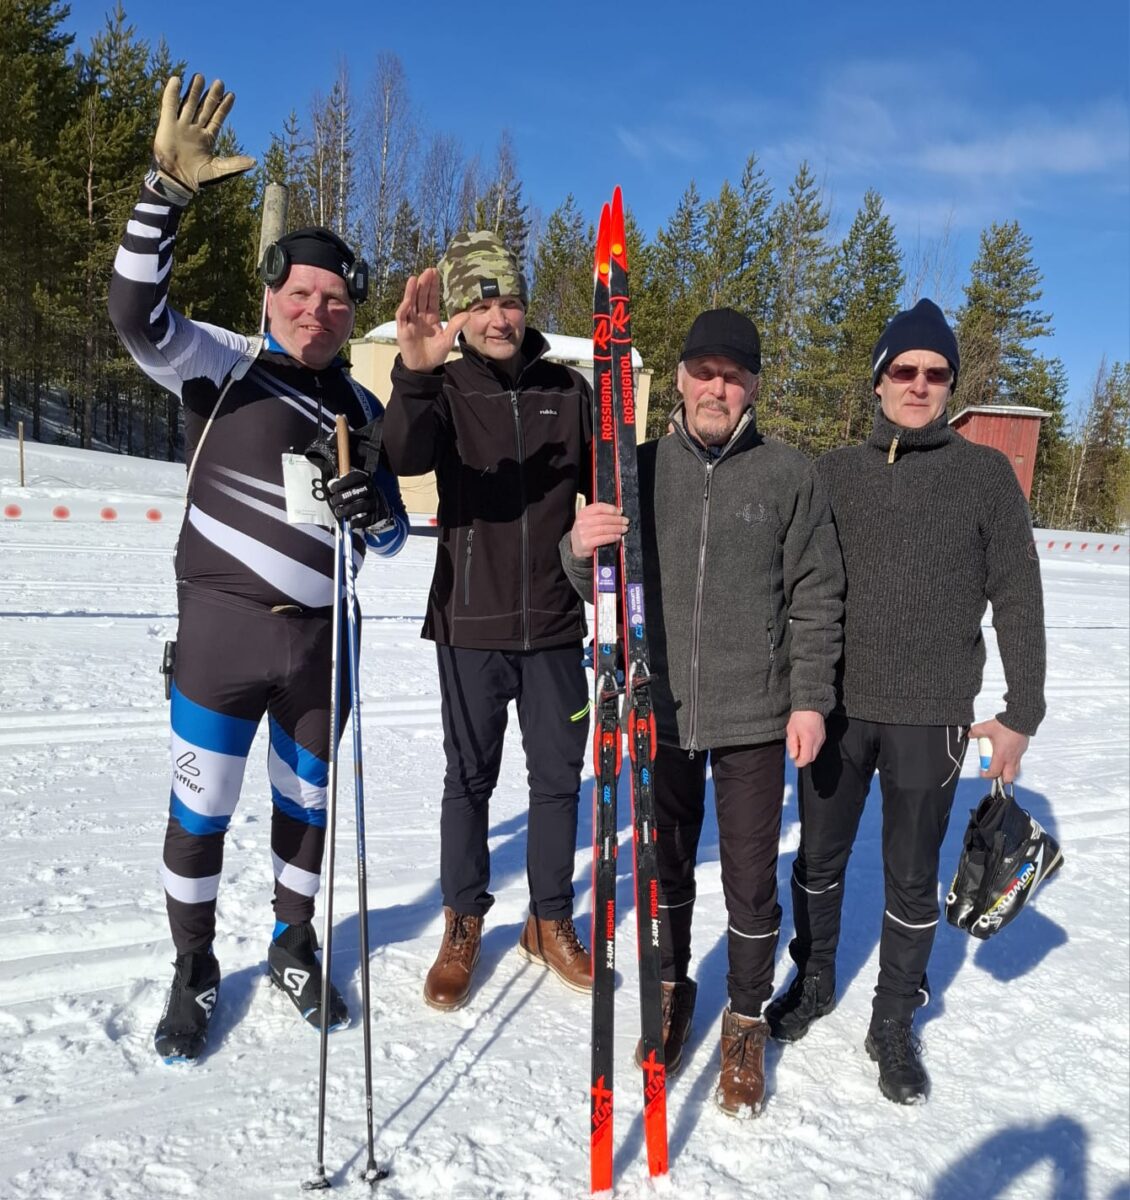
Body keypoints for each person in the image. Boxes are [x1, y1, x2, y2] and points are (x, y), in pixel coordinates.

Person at [109, 74, 409, 1063]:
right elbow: (135, 315)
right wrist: (166, 194)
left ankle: (291, 944)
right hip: (222, 639)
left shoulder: (360, 414)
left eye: (333, 299)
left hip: (321, 652)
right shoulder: (220, 361)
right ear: (271, 294)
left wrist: (379, 517)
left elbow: (395, 534)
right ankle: (193, 970)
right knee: (199, 814)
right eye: (299, 294)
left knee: (305, 810)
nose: (316, 311)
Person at [562, 308, 845, 1117]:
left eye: (735, 373)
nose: (719, 387)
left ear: (753, 384)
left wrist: (809, 700)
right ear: (681, 378)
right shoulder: (636, 467)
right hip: (661, 705)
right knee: (667, 869)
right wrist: (578, 551)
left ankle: (747, 1017)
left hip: (758, 713)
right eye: (705, 371)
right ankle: (671, 985)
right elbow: (603, 591)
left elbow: (816, 596)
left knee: (753, 884)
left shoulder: (789, 474)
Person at [766, 299, 1047, 1105]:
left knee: (911, 876)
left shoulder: (985, 476)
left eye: (935, 373)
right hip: (838, 708)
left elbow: (1018, 597)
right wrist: (788, 691)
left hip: (934, 715)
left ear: (949, 383)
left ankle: (894, 1017)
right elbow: (795, 589)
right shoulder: (836, 473)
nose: (919, 384)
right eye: (904, 369)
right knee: (818, 861)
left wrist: (1022, 710)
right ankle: (814, 979)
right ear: (880, 379)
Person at [383, 231, 593, 1011]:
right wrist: (413, 371)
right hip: (468, 623)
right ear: (462, 314)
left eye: (508, 298)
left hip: (554, 624)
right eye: (481, 301)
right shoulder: (443, 385)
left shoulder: (568, 390)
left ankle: (549, 920)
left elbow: (607, 489)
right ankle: (463, 921)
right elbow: (403, 457)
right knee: (468, 779)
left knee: (557, 779)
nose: (498, 315)